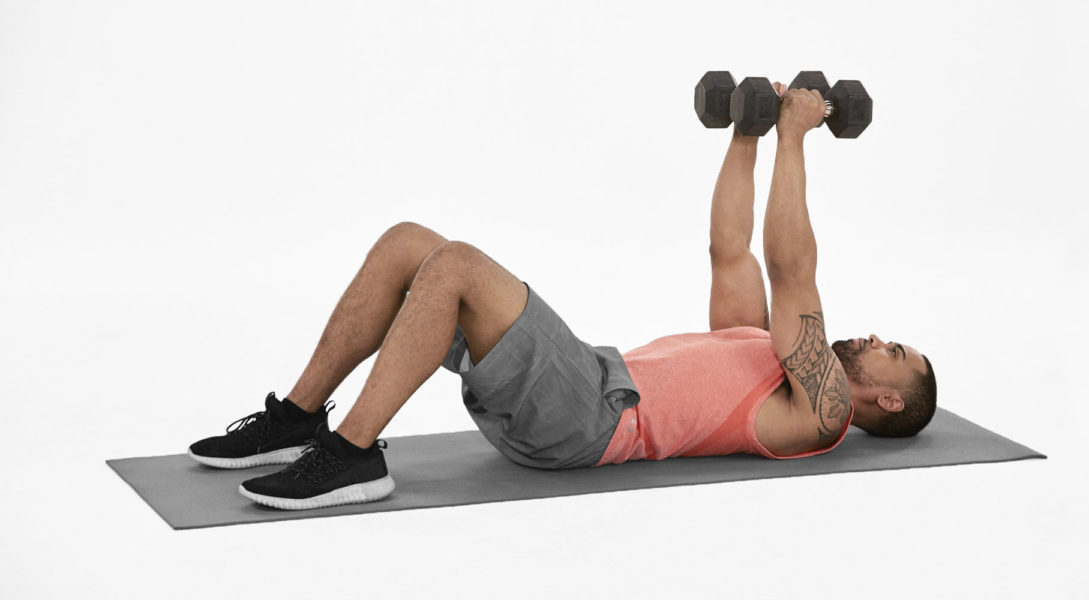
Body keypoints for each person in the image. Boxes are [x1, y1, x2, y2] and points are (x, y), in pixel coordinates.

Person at [188, 81, 936, 510]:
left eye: (893, 351)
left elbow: (791, 271)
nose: (876, 338)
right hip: (586, 384)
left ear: (892, 402)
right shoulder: (762, 356)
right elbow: (732, 249)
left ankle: (352, 457)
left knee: (454, 266)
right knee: (407, 242)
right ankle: (295, 418)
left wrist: (799, 139)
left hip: (591, 420)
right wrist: (750, 133)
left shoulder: (823, 408)